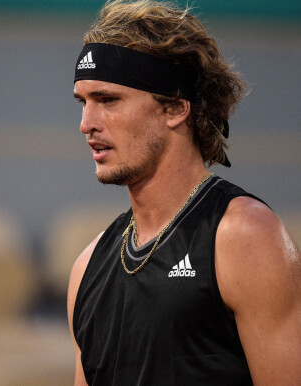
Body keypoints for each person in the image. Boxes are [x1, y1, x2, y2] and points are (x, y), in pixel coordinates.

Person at [66, 1, 301, 385]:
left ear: (174, 108)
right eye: (83, 102)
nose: (86, 124)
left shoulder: (246, 237)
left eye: (108, 100)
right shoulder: (86, 268)